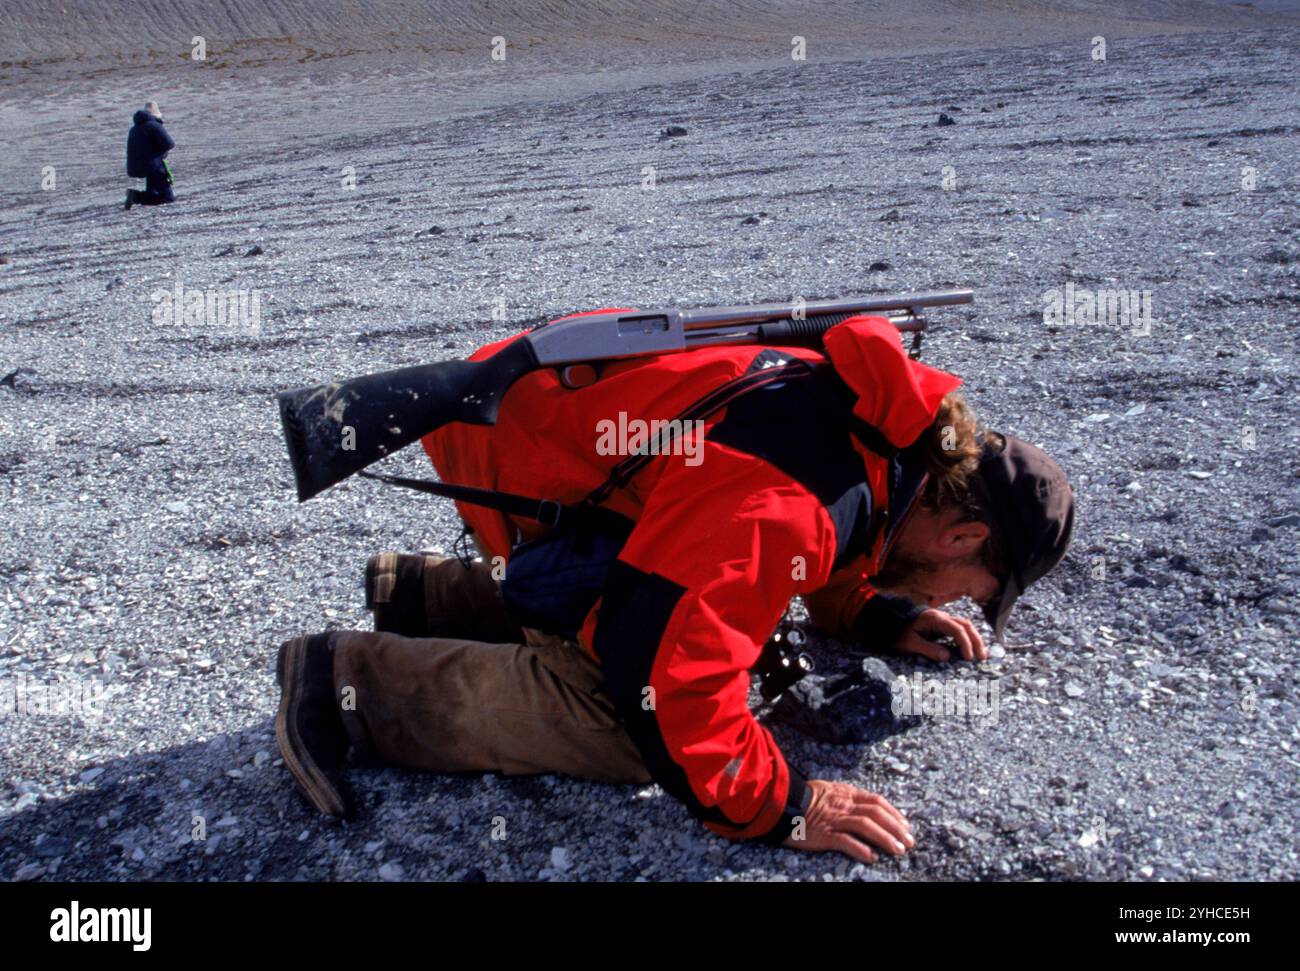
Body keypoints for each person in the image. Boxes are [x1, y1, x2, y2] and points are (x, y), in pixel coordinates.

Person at [274, 309, 1074, 864]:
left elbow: (830, 532)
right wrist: (782, 803)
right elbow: (663, 664)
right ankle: (347, 683)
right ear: (966, 535)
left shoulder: (887, 428)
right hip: (508, 460)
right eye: (981, 583)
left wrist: (864, 610)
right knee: (630, 727)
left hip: (547, 443)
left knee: (709, 602)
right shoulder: (794, 495)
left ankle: (419, 595)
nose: (965, 600)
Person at [124, 101, 174, 209]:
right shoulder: (154, 125)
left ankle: (136, 196)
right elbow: (169, 144)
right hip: (154, 166)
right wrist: (161, 153)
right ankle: (136, 196)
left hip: (140, 167)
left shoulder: (134, 129)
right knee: (168, 198)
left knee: (152, 193)